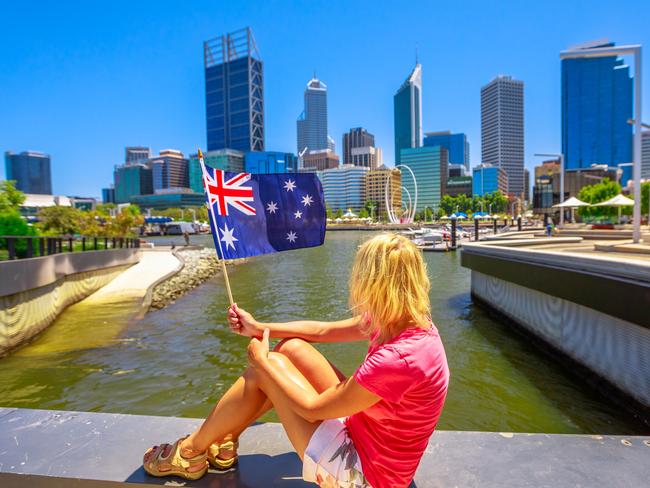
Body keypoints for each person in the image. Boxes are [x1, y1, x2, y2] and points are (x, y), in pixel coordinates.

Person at [142, 233, 450, 487]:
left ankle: (190, 452)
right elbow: (322, 330)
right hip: (370, 437)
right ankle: (223, 443)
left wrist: (263, 364)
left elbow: (312, 409)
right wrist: (259, 328)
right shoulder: (404, 320)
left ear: (372, 283)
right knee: (291, 349)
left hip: (366, 475)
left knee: (268, 369)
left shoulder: (398, 358)